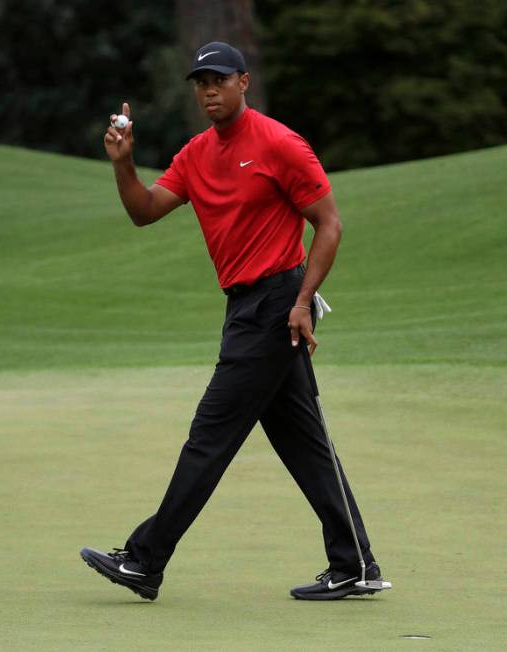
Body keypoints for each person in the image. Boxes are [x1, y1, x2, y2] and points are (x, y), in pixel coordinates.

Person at [80, 41, 388, 601]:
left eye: (219, 79)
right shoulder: (197, 154)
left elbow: (330, 224)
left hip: (275, 304)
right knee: (304, 442)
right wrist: (124, 165)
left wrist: (302, 300)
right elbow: (145, 211)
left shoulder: (279, 143)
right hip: (244, 307)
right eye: (200, 82)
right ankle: (355, 564)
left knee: (210, 436)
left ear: (244, 82)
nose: (208, 90)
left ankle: (146, 559)